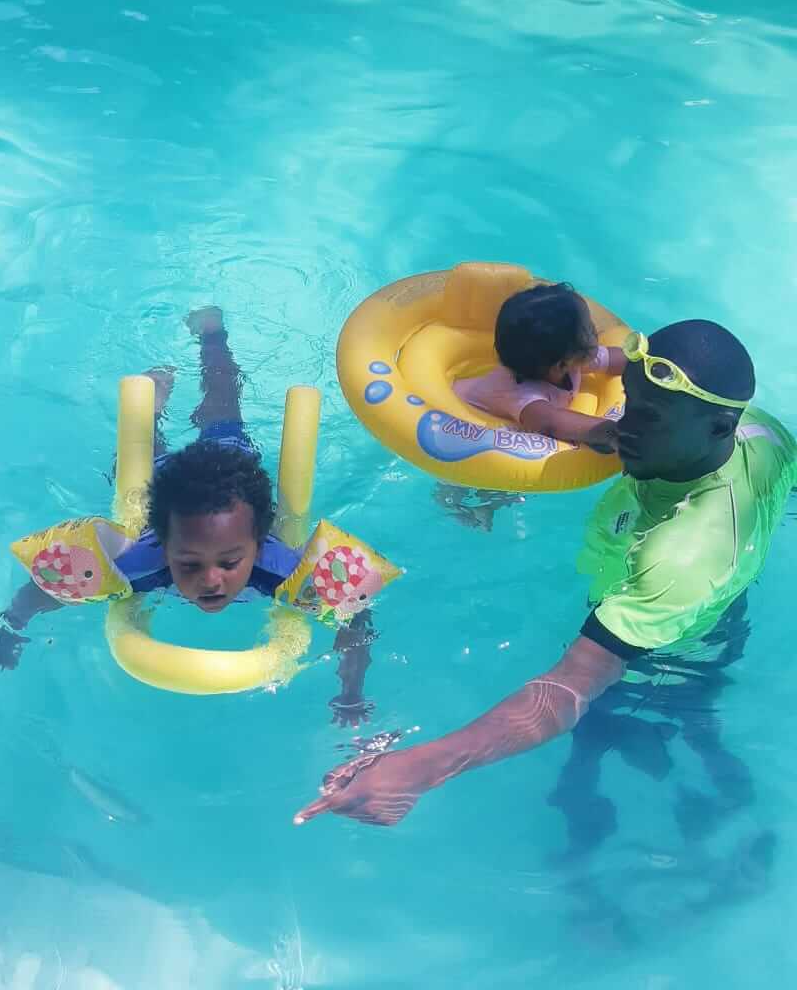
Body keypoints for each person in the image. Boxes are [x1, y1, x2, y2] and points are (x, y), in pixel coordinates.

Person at [295, 319, 797, 827]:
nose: (626, 427)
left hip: (668, 656)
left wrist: (419, 770)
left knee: (598, 749)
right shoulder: (760, 429)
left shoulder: (684, 557)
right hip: (691, 584)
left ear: (717, 428)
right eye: (628, 403)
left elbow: (570, 686)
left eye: (649, 417)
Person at [0, 308, 375, 727]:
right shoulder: (140, 563)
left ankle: (213, 337)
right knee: (137, 460)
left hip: (231, 465)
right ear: (164, 545)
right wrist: (7, 628)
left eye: (230, 562)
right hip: (172, 486)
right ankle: (152, 408)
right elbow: (48, 591)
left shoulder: (281, 568)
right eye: (189, 563)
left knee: (222, 404)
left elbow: (355, 614)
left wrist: (351, 691)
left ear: (258, 543)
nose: (210, 580)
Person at [453, 283, 625, 452]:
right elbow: (551, 423)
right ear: (562, 364)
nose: (596, 329)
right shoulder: (524, 395)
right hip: (460, 421)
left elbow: (615, 359)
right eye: (589, 330)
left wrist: (644, 363)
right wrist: (612, 433)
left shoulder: (563, 358)